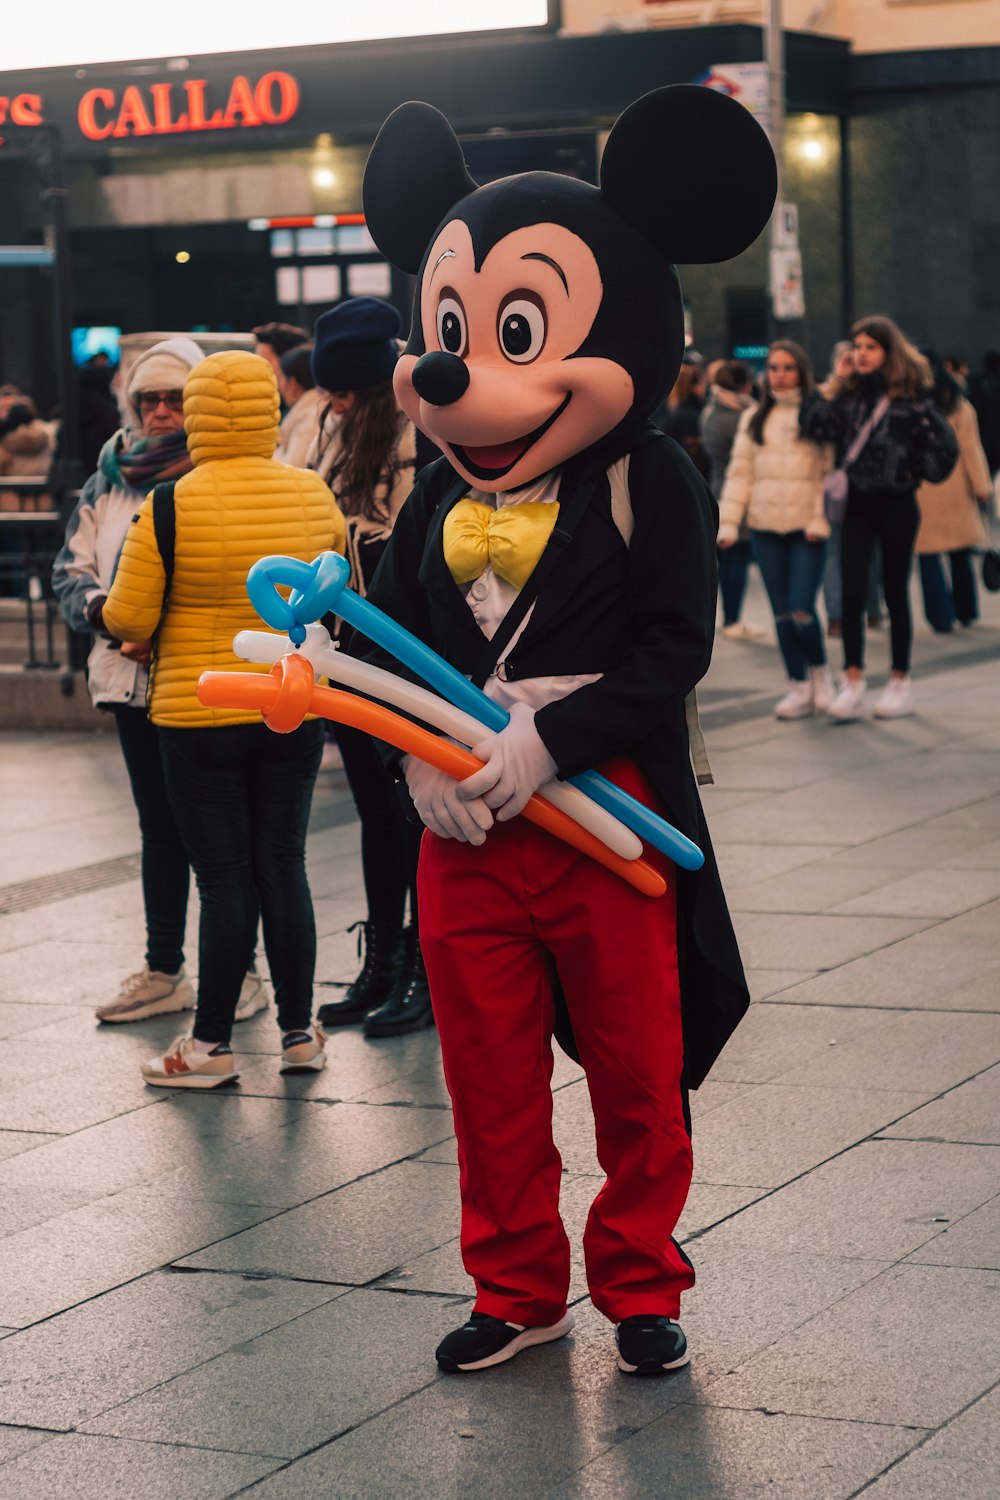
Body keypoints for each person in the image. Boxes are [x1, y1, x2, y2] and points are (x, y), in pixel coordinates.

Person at [360, 85, 774, 1376]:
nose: (457, 371)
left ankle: (642, 1282)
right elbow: (376, 648)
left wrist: (557, 736)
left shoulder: (654, 478)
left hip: (611, 819)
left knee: (640, 1075)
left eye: (514, 330)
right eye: (451, 331)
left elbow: (675, 649)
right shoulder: (431, 497)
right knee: (484, 1080)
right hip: (468, 838)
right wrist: (416, 757)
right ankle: (517, 1286)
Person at [101, 350, 345, 1087]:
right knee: (284, 865)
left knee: (225, 877)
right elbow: (334, 594)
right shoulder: (312, 495)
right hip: (289, 704)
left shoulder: (170, 504)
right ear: (270, 410)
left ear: (201, 414)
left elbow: (126, 613)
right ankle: (301, 1033)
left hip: (197, 709)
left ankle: (209, 1047)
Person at [53, 338, 266, 1023]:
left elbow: (236, 576)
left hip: (206, 681)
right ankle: (164, 965)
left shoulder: (224, 471)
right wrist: (109, 618)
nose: (162, 412)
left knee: (226, 835)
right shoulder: (107, 478)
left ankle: (243, 971)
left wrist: (159, 627)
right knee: (160, 828)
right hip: (127, 676)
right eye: (150, 399)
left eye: (176, 398)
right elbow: (70, 570)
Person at [307, 299, 430, 1039]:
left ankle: (421, 965)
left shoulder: (419, 433)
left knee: (413, 813)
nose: (330, 398)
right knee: (375, 814)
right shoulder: (335, 431)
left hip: (404, 651)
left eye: (341, 386)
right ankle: (382, 960)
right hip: (346, 647)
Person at [801, 315, 958, 721]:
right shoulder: (849, 396)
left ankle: (899, 681)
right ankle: (853, 681)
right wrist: (836, 379)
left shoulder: (912, 399)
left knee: (894, 591)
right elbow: (813, 422)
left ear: (889, 351)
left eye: (870, 346)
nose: (861, 354)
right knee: (852, 593)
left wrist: (908, 470)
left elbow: (945, 450)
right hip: (855, 504)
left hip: (897, 504)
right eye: (857, 346)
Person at [718, 341, 833, 719]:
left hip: (806, 529)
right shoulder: (754, 419)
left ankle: (820, 672)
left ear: (802, 371)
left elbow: (827, 475)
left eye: (788, 368)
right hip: (765, 528)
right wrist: (729, 522)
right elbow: (740, 475)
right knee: (781, 613)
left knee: (802, 609)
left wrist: (820, 518)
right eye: (774, 368)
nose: (780, 375)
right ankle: (797, 685)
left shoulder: (817, 414)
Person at [916, 351, 993, 631]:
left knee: (928, 555)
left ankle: (940, 616)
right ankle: (967, 609)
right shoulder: (957, 402)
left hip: (921, 486)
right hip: (956, 484)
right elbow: (971, 449)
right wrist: (982, 487)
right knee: (960, 552)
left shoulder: (908, 403)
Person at [700, 360, 758, 639]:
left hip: (717, 486)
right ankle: (733, 618)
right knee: (737, 558)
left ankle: (730, 617)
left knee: (727, 558)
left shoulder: (711, 411)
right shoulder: (738, 417)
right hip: (735, 492)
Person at [274, 343, 325, 468]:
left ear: (292, 384)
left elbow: (294, 468)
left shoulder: (309, 420)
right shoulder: (312, 410)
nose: (279, 385)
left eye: (281, 378)